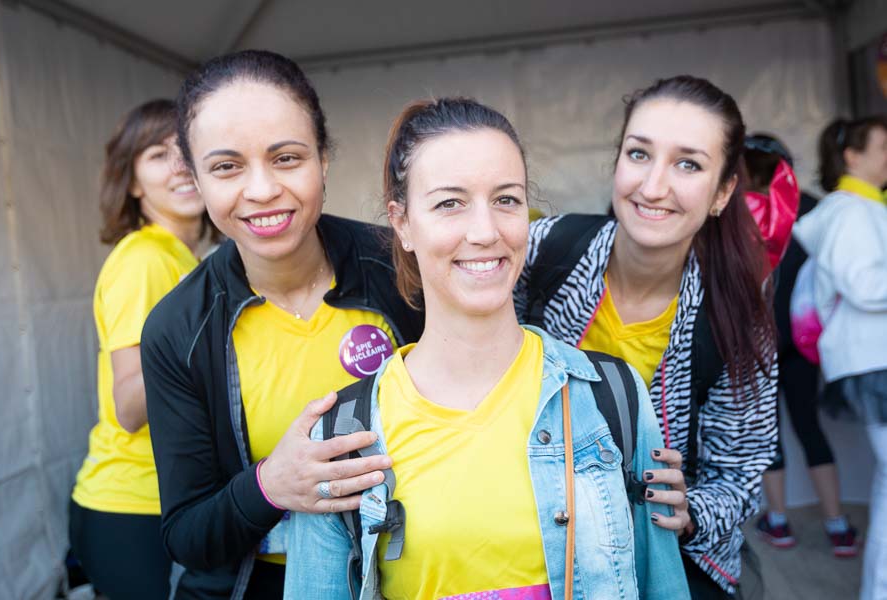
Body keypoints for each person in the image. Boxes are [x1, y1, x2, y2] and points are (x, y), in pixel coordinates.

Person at [283, 97, 689, 599]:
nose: (485, 232)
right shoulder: (344, 436)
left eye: (506, 200)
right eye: (450, 203)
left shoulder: (612, 396)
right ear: (403, 223)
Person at [140, 50, 423, 599]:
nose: (263, 189)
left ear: (324, 159)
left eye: (287, 158)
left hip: (410, 571)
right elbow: (187, 537)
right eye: (226, 167)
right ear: (195, 180)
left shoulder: (401, 265)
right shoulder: (177, 327)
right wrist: (272, 485)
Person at [515, 76, 779, 599]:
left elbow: (740, 471)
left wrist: (689, 511)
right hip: (536, 546)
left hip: (665, 561)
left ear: (724, 191)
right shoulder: (544, 251)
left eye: (688, 164)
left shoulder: (735, 316)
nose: (654, 186)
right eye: (639, 154)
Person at [69, 99, 207, 599]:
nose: (180, 166)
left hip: (166, 503)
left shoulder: (186, 258)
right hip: (132, 508)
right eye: (157, 154)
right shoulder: (145, 260)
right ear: (131, 184)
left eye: (188, 149)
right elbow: (130, 406)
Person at [744, 134, 856, 556]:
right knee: (809, 426)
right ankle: (838, 524)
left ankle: (778, 522)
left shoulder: (737, 212)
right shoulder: (811, 208)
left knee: (766, 434)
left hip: (755, 342)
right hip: (805, 339)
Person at [793, 115, 887, 600]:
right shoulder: (851, 211)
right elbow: (865, 286)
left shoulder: (856, 210)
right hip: (873, 361)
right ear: (852, 157)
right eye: (883, 148)